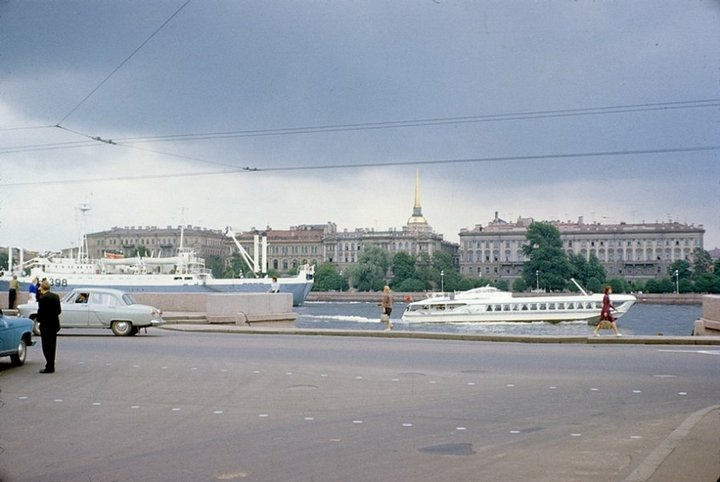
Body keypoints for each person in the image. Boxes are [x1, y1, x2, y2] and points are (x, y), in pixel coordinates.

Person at [37, 279, 62, 373]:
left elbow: (41, 312)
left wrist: (39, 320)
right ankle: (52, 365)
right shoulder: (56, 297)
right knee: (52, 346)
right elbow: (59, 311)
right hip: (54, 324)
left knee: (46, 346)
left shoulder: (43, 298)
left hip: (45, 325)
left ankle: (49, 366)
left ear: (42, 288)